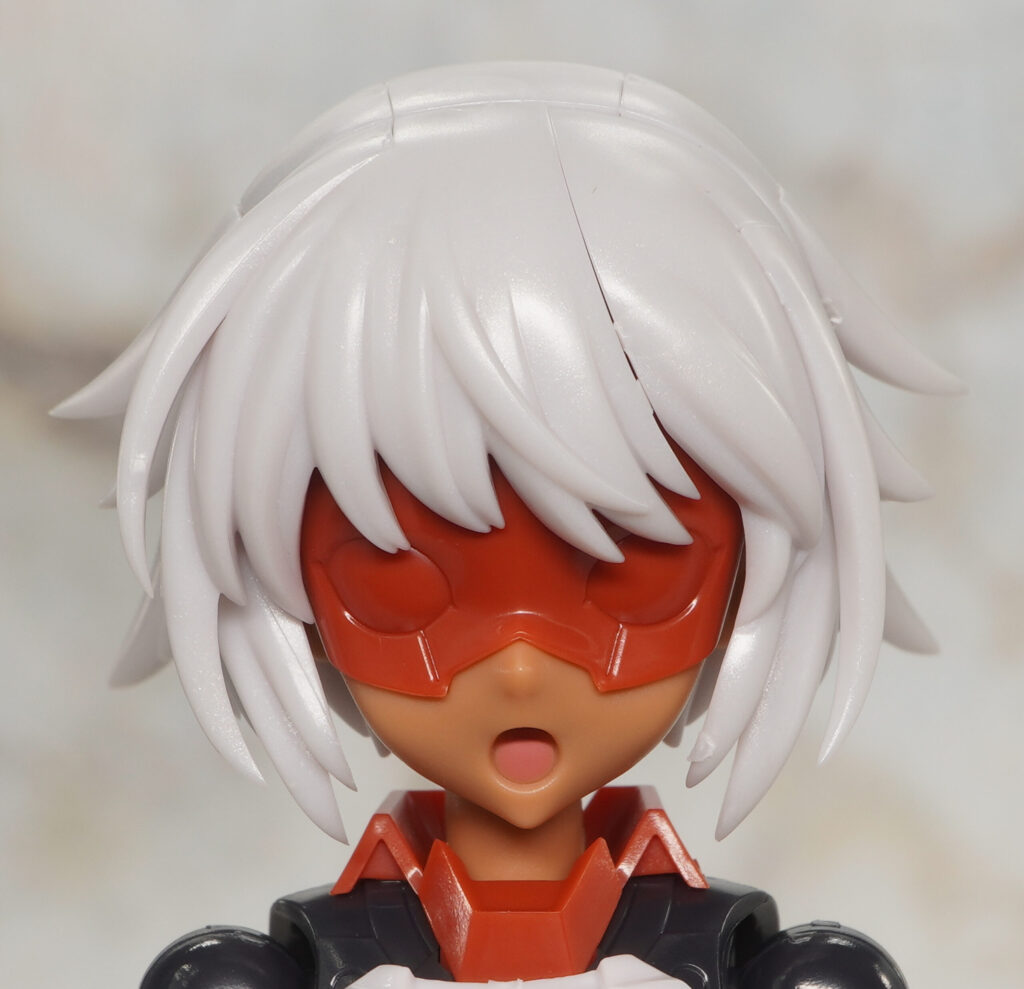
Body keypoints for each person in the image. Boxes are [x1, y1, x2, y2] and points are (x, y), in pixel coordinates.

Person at [57, 62, 958, 988]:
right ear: (297, 601)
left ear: (738, 590)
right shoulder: (310, 962)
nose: (521, 670)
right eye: (399, 586)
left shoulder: (736, 957)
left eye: (635, 579)